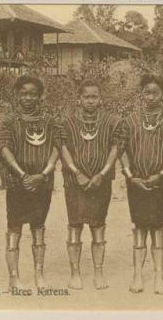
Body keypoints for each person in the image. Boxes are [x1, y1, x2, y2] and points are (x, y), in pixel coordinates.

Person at [117, 74, 163, 295]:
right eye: (147, 92)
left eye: (155, 92)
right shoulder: (130, 120)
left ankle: (158, 276)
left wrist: (162, 173)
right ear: (141, 94)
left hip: (160, 183)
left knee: (157, 226)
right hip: (136, 183)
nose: (151, 97)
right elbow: (121, 149)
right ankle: (138, 275)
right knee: (139, 226)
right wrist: (130, 176)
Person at [0, 75, 61, 289]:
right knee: (14, 227)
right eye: (24, 93)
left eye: (33, 93)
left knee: (39, 226)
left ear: (40, 96)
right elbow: (4, 148)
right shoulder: (10, 121)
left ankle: (39, 275)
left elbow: (56, 148)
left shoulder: (49, 121)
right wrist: (22, 175)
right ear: (17, 95)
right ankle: (14, 277)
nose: (28, 98)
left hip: (42, 183)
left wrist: (43, 174)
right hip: (18, 184)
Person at [59, 79, 119, 290]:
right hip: (74, 183)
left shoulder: (112, 122)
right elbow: (62, 147)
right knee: (75, 224)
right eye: (87, 97)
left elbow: (115, 147)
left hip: (101, 182)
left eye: (95, 97)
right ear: (79, 99)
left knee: (98, 224)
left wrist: (102, 173)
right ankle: (75, 273)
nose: (91, 101)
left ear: (100, 99)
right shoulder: (67, 122)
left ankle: (98, 272)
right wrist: (77, 173)